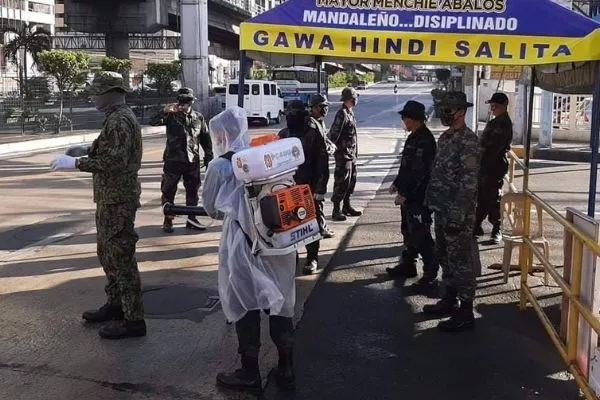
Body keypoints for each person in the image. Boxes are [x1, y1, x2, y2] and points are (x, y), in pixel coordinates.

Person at [203, 107, 296, 394]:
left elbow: (211, 209)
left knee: (246, 303)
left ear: (221, 134)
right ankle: (287, 367)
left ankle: (249, 371)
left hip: (244, 243)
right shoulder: (267, 156)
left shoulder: (221, 166)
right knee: (281, 302)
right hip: (280, 240)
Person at [50, 71, 146, 339]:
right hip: (110, 197)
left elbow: (115, 161)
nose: (93, 97)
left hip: (118, 198)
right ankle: (116, 305)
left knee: (121, 257)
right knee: (107, 254)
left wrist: (77, 164)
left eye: (97, 92)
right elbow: (107, 149)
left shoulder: (120, 120)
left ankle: (133, 319)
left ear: (111, 93)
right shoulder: (115, 119)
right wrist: (85, 150)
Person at [423, 91, 480, 333]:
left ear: (461, 111)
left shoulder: (469, 141)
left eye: (449, 109)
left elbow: (469, 182)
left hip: (458, 213)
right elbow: (438, 172)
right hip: (441, 208)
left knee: (461, 261)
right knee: (444, 256)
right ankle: (449, 299)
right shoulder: (446, 138)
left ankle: (466, 311)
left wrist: (457, 215)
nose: (444, 113)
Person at [386, 101, 439, 290]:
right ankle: (408, 265)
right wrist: (397, 183)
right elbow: (406, 166)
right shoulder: (413, 137)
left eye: (405, 118)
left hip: (420, 196)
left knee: (421, 234)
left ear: (414, 119)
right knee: (408, 231)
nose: (403, 121)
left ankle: (431, 273)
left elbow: (419, 172)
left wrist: (405, 194)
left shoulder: (425, 140)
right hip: (410, 195)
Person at [153, 87, 213, 233]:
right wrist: (165, 111)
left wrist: (209, 153)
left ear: (192, 102)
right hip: (173, 161)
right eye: (181, 101)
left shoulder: (198, 117)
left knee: (193, 191)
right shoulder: (171, 116)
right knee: (168, 191)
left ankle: (191, 219)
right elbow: (153, 121)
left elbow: (205, 137)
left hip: (192, 161)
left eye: (187, 101)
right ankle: (168, 220)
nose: (184, 105)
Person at [289, 95, 335, 275]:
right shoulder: (285, 133)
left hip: (310, 185)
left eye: (293, 113)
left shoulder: (313, 129)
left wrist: (320, 189)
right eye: (288, 113)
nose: (290, 116)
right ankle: (292, 257)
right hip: (291, 187)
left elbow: (322, 161)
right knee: (291, 224)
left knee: (311, 223)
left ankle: (312, 258)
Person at [474, 92, 513, 244]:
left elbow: (493, 148)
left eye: (496, 105)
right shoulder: (496, 121)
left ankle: (497, 229)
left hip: (493, 166)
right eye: (492, 105)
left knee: (492, 198)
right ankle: (476, 226)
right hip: (485, 166)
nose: (493, 107)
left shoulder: (503, 124)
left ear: (503, 106)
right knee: (482, 197)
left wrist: (481, 157)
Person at [328, 86, 362, 221]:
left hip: (351, 154)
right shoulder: (341, 113)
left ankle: (346, 206)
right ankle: (336, 210)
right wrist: (330, 148)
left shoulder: (350, 112)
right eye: (355, 98)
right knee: (342, 181)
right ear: (350, 99)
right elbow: (334, 133)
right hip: (343, 154)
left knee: (351, 181)